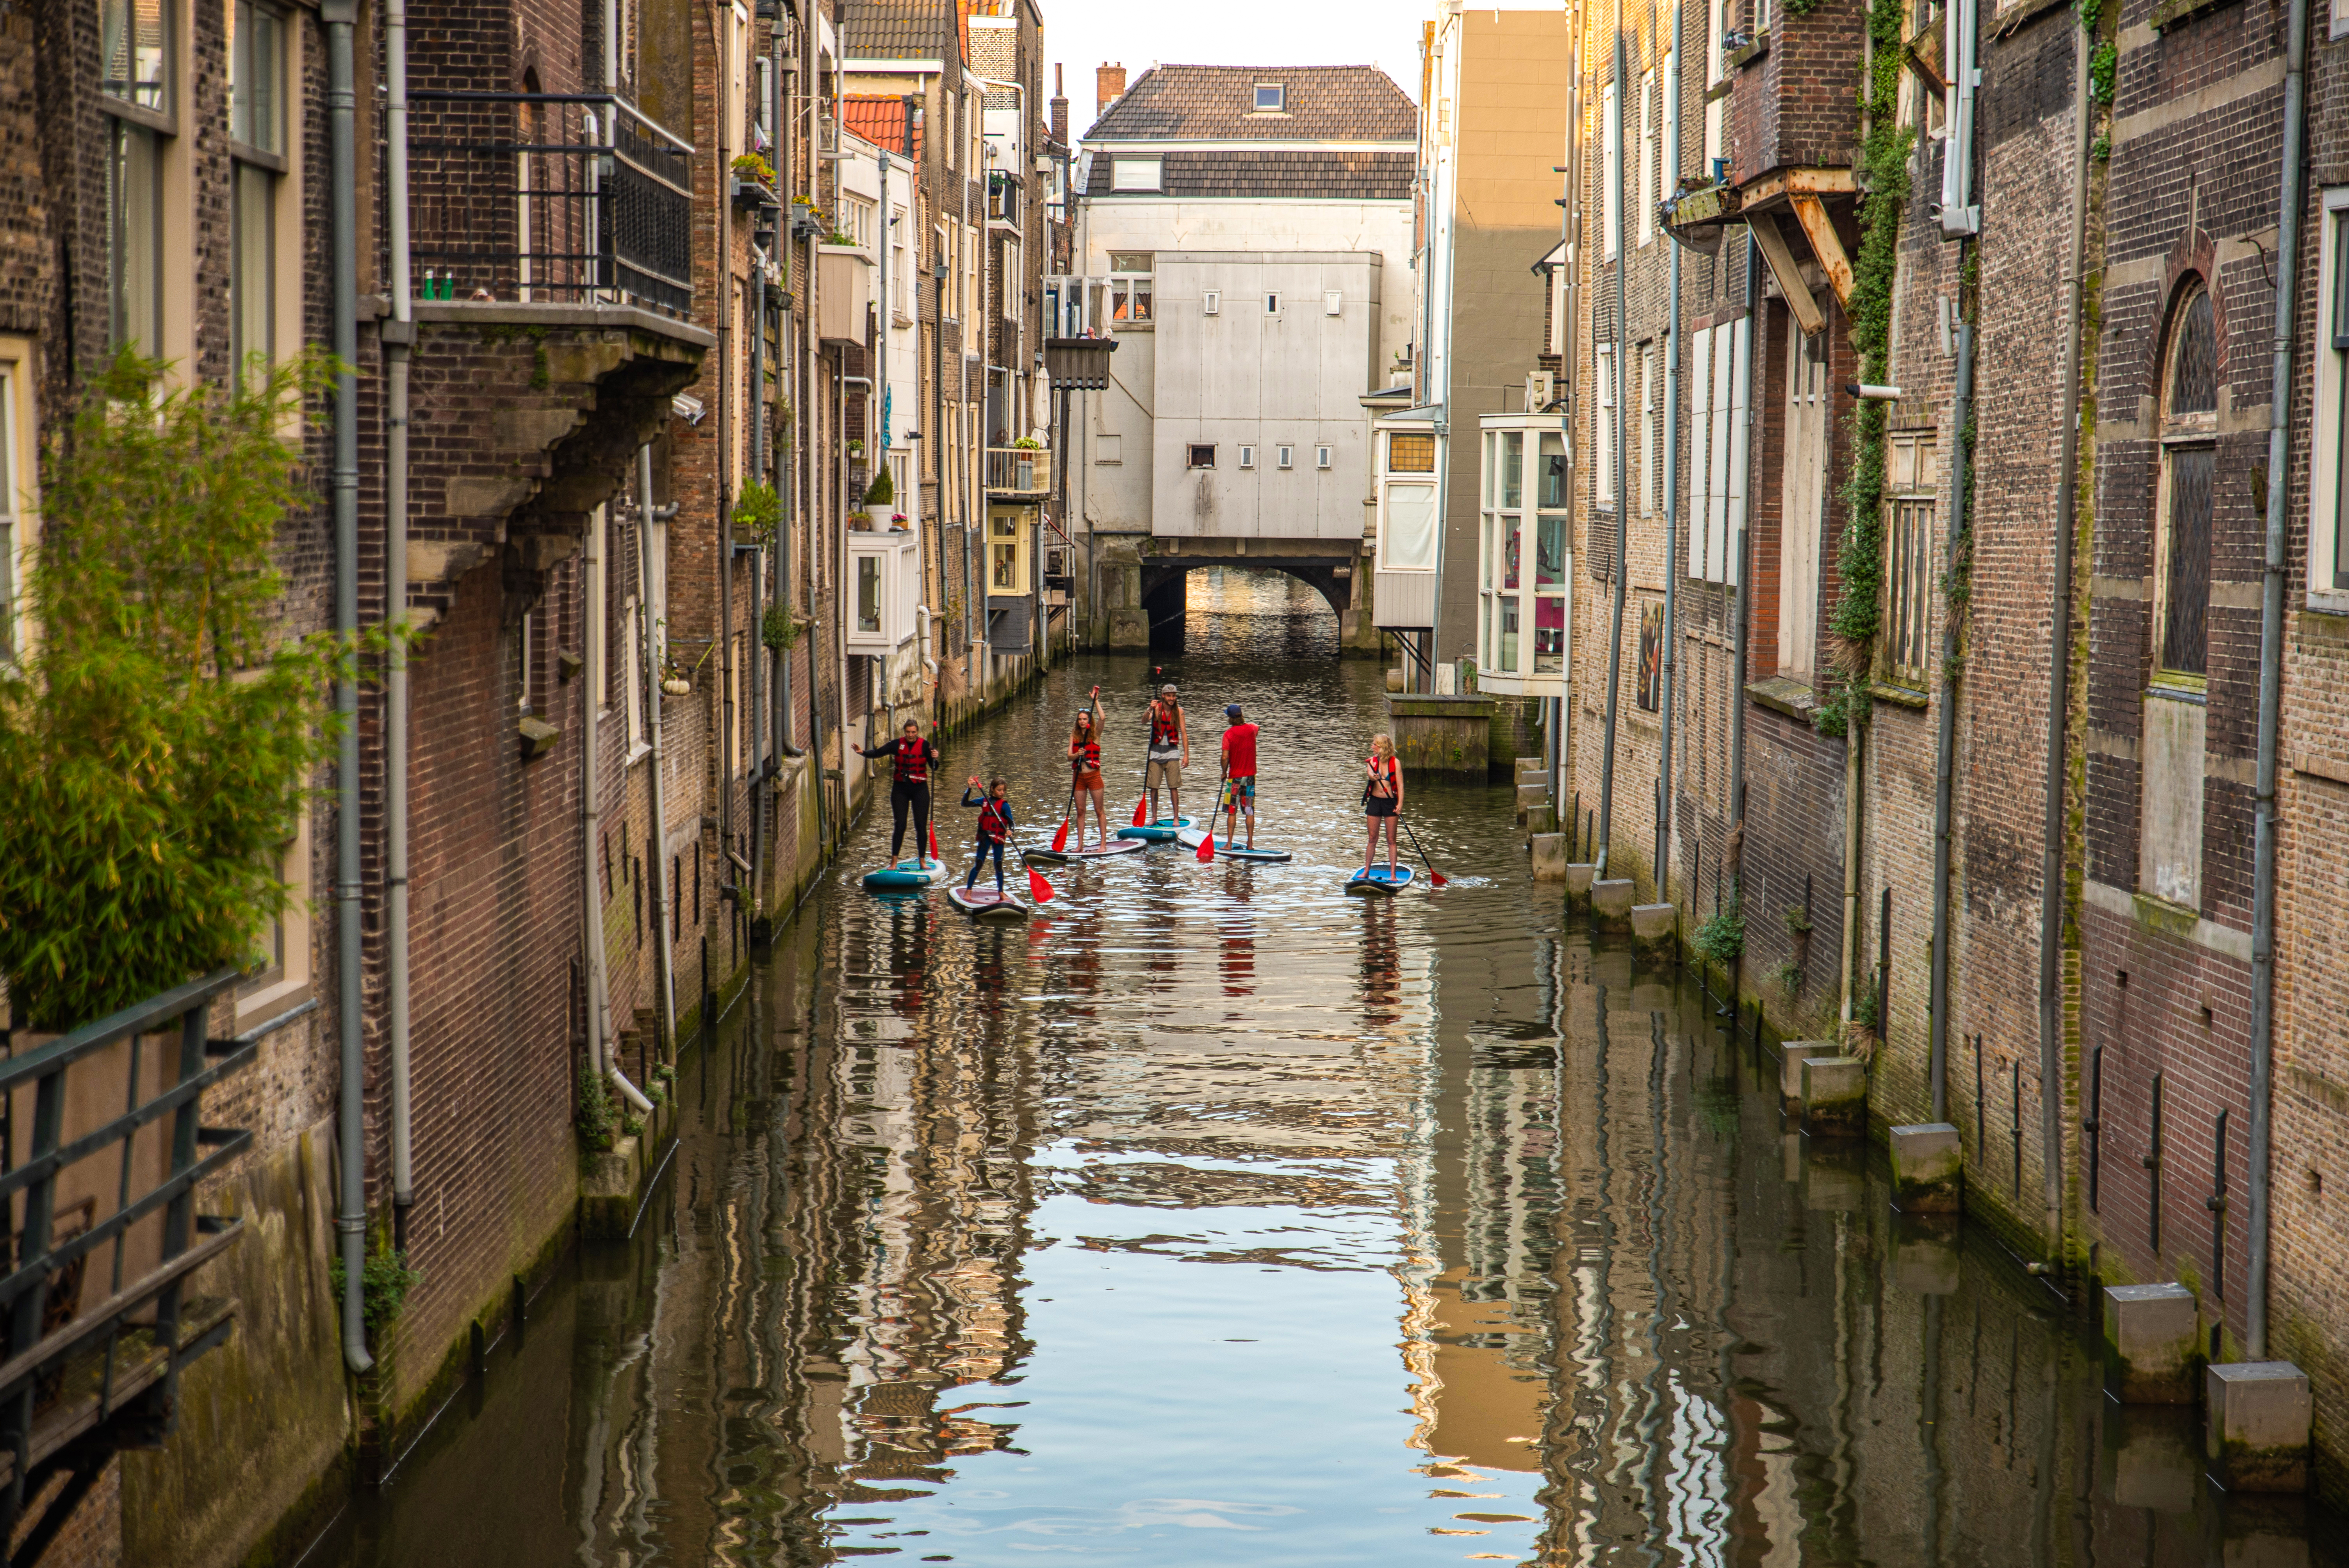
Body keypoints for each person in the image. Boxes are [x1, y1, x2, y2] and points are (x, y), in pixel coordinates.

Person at [858, 718, 940, 865]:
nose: (910, 735)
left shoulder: (926, 746)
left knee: (920, 826)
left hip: (920, 790)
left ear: (918, 732)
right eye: (908, 732)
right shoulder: (896, 744)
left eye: (913, 732)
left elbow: (934, 768)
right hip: (900, 789)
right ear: (905, 732)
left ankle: (922, 861)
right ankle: (894, 861)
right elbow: (878, 753)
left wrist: (935, 758)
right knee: (900, 825)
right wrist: (862, 752)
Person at [1068, 685, 1107, 850]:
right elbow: (1069, 756)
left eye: (1085, 719)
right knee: (1080, 811)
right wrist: (1078, 754)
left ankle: (1103, 844)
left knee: (1099, 810)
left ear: (1089, 721)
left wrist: (1096, 701)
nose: (1082, 721)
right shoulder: (1074, 735)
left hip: (1093, 777)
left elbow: (1103, 718)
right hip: (1079, 778)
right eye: (1080, 719)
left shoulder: (1095, 735)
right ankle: (1080, 845)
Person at [961, 775, 1016, 893]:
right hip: (985, 837)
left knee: (998, 865)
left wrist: (1011, 831)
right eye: (999, 790)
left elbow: (1012, 823)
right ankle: (969, 890)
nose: (1002, 793)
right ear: (992, 789)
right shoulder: (984, 801)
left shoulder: (1005, 806)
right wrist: (969, 789)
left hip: (998, 838)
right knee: (979, 864)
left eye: (1004, 791)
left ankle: (1001, 892)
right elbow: (964, 804)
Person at [1143, 683, 1188, 827]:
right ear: (1163, 696)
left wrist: (1186, 755)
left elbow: (1184, 733)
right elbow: (1144, 721)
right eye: (1169, 696)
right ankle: (1154, 817)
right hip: (1155, 753)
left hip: (1172, 753)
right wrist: (1150, 708)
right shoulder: (1157, 709)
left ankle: (1176, 818)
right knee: (1154, 787)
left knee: (1173, 787)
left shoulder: (1179, 711)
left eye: (1174, 696)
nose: (1172, 698)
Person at [1217, 702, 1260, 850]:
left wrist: (1224, 772)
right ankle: (1250, 844)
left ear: (1230, 719)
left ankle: (1229, 844)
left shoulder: (1228, 735)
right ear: (1242, 716)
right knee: (1249, 811)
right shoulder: (1252, 730)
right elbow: (1257, 727)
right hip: (1250, 777)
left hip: (1234, 778)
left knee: (1232, 811)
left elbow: (1225, 758)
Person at [1362, 733, 1403, 875]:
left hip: (1390, 803)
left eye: (1375, 745)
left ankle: (1393, 874)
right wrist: (1373, 776)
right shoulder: (1372, 761)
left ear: (1382, 747)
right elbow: (1370, 775)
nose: (1372, 746)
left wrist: (1400, 805)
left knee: (1391, 840)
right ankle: (1367, 871)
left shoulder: (1395, 762)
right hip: (1374, 802)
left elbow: (1401, 785)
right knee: (1372, 839)